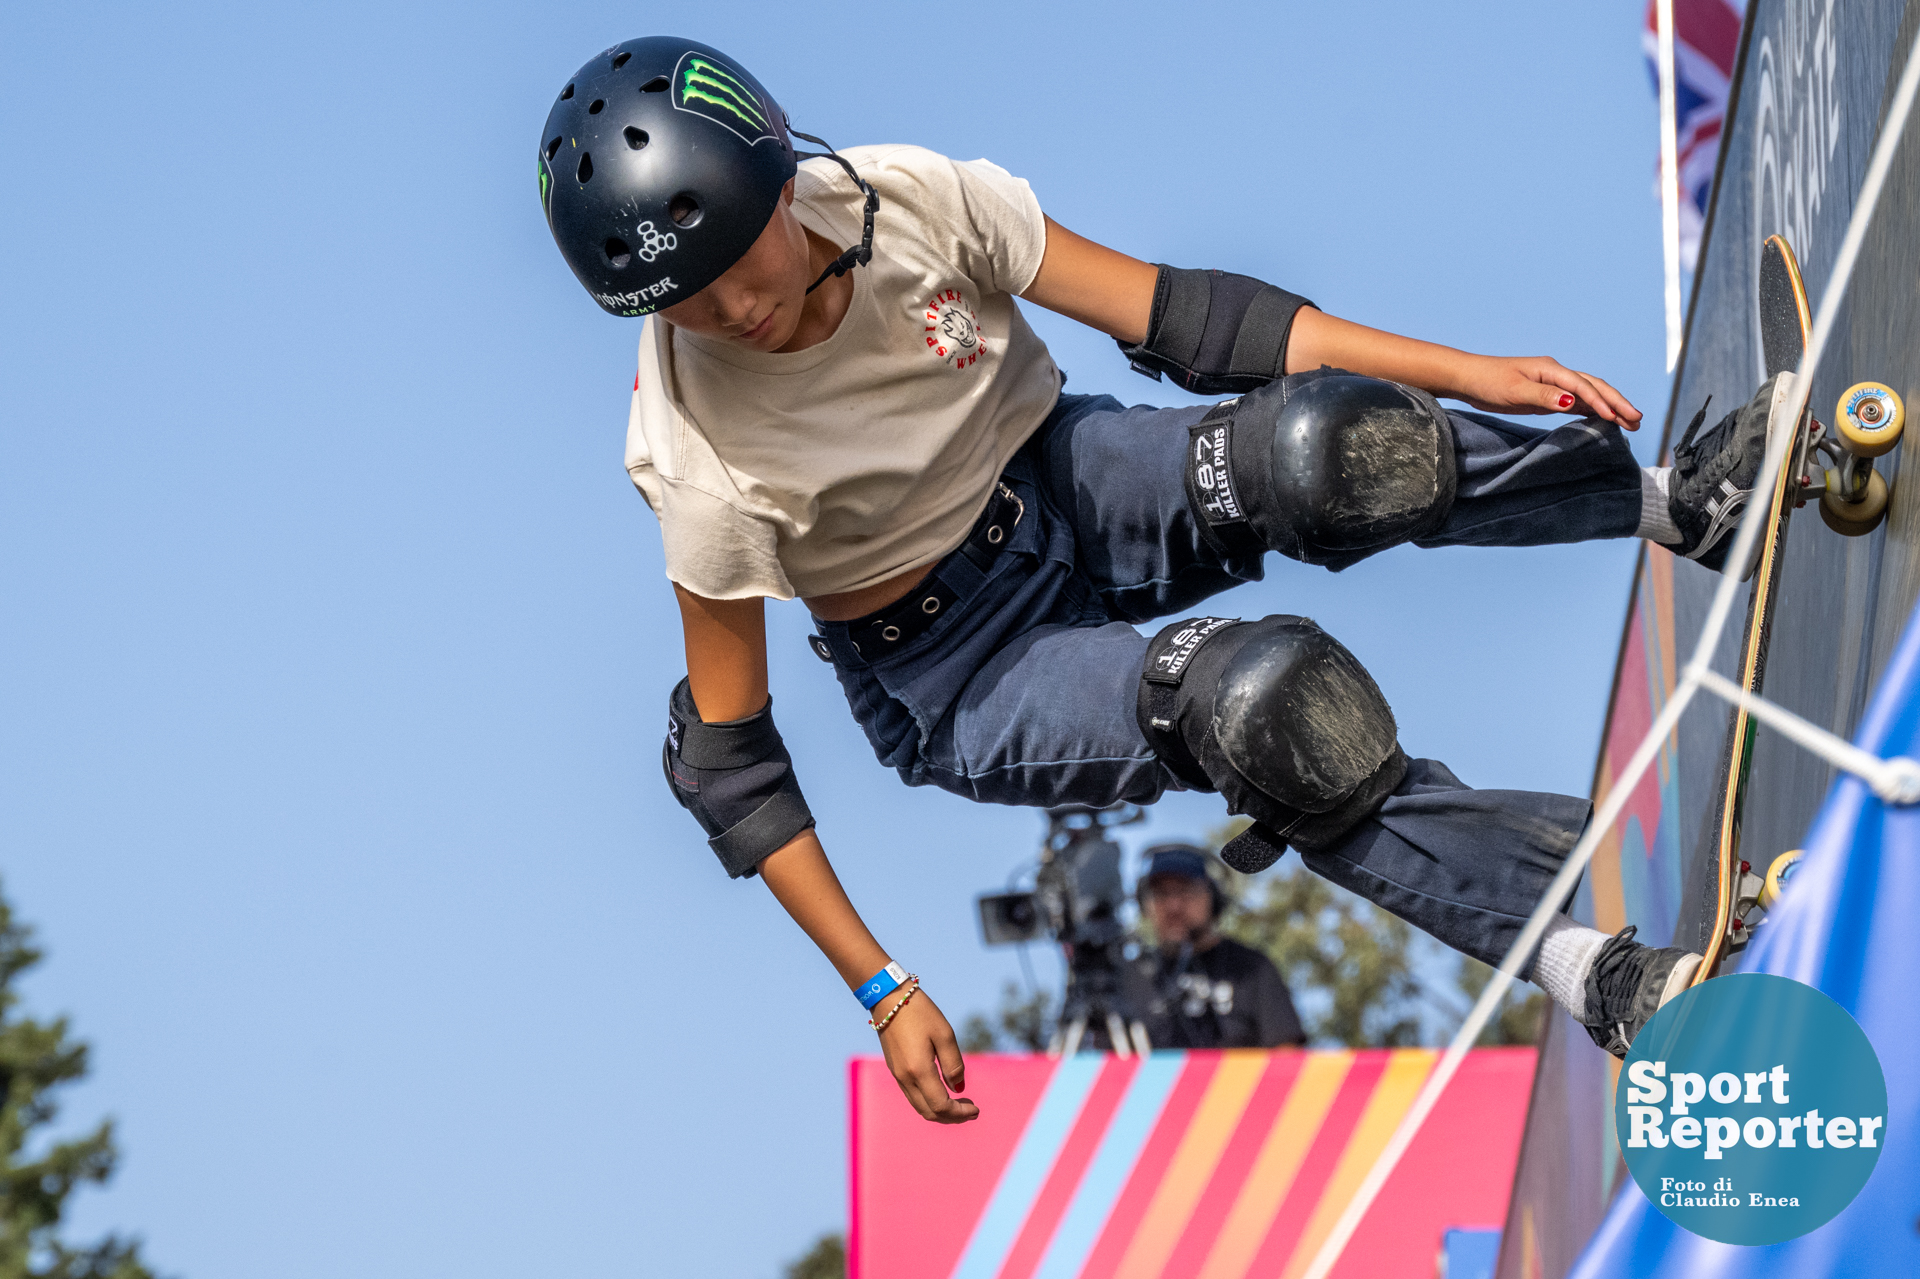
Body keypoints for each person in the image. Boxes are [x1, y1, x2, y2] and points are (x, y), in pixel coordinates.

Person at [537, 38, 1767, 1124]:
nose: (732, 310)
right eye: (681, 305)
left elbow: (1193, 323)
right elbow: (729, 764)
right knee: (1261, 706)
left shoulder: (908, 201)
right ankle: (1598, 978)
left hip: (1064, 477)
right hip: (959, 666)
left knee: (1327, 450)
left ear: (775, 179)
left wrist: (1466, 372)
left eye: (737, 262)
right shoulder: (696, 451)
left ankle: (1678, 505)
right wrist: (883, 987)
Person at [1124, 844, 1305, 1050]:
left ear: (1215, 898)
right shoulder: (1128, 977)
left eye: (1186, 891)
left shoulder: (1252, 968)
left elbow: (1287, 1054)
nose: (1173, 905)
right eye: (1161, 893)